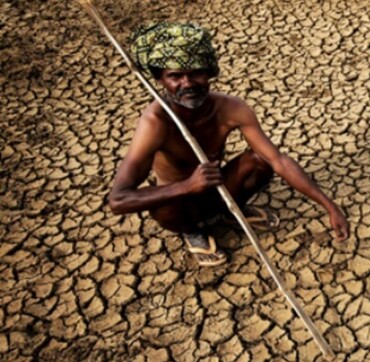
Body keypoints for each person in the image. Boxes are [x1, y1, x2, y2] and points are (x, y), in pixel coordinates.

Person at [109, 22, 349, 266]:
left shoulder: (231, 108)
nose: (188, 82)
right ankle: (193, 232)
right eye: (175, 76)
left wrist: (329, 206)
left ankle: (230, 211)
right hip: (182, 204)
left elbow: (279, 160)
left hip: (219, 188)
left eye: (196, 72)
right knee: (164, 207)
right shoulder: (155, 122)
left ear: (210, 72)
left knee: (259, 161)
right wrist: (188, 186)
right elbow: (118, 200)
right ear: (160, 79)